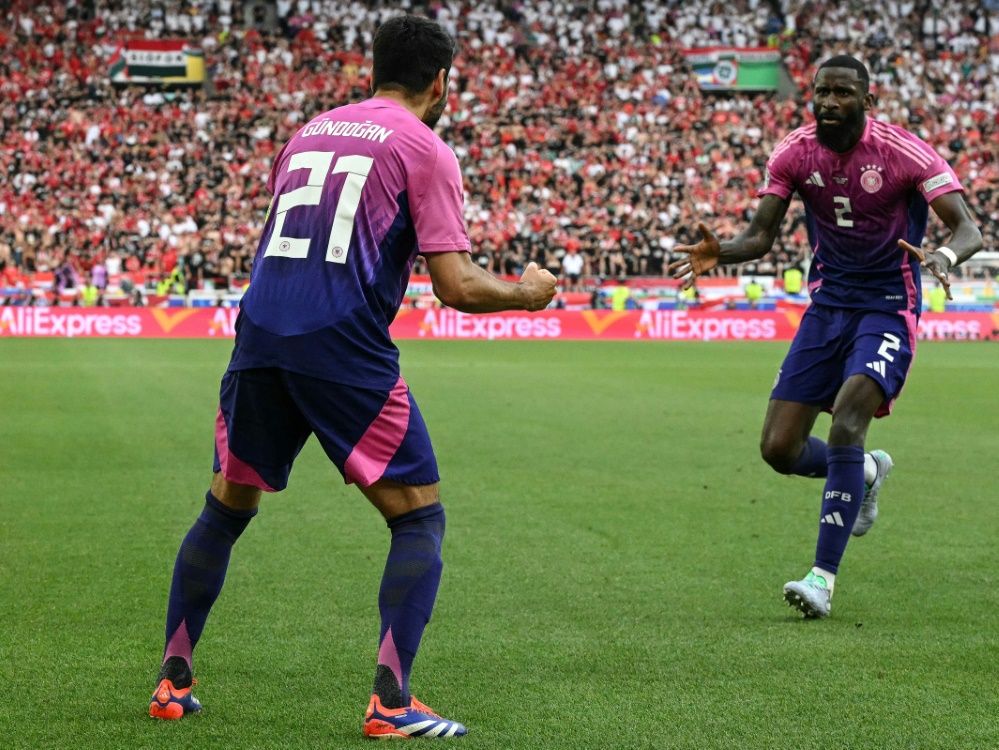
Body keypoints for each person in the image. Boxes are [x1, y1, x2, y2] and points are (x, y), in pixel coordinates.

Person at [148, 14, 557, 739]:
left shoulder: (308, 131)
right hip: (341, 348)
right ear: (440, 81)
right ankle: (392, 703)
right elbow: (456, 286)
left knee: (225, 508)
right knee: (419, 517)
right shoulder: (424, 148)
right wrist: (527, 293)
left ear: (373, 69)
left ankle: (172, 682)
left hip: (259, 337)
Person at [668, 55, 982, 619]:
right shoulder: (794, 151)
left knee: (847, 419)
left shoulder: (905, 153)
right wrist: (724, 252)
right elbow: (760, 236)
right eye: (821, 93)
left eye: (842, 93)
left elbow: (968, 228)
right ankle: (861, 471)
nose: (829, 103)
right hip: (827, 307)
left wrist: (942, 255)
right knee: (778, 450)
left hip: (888, 307)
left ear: (868, 100)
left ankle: (822, 579)